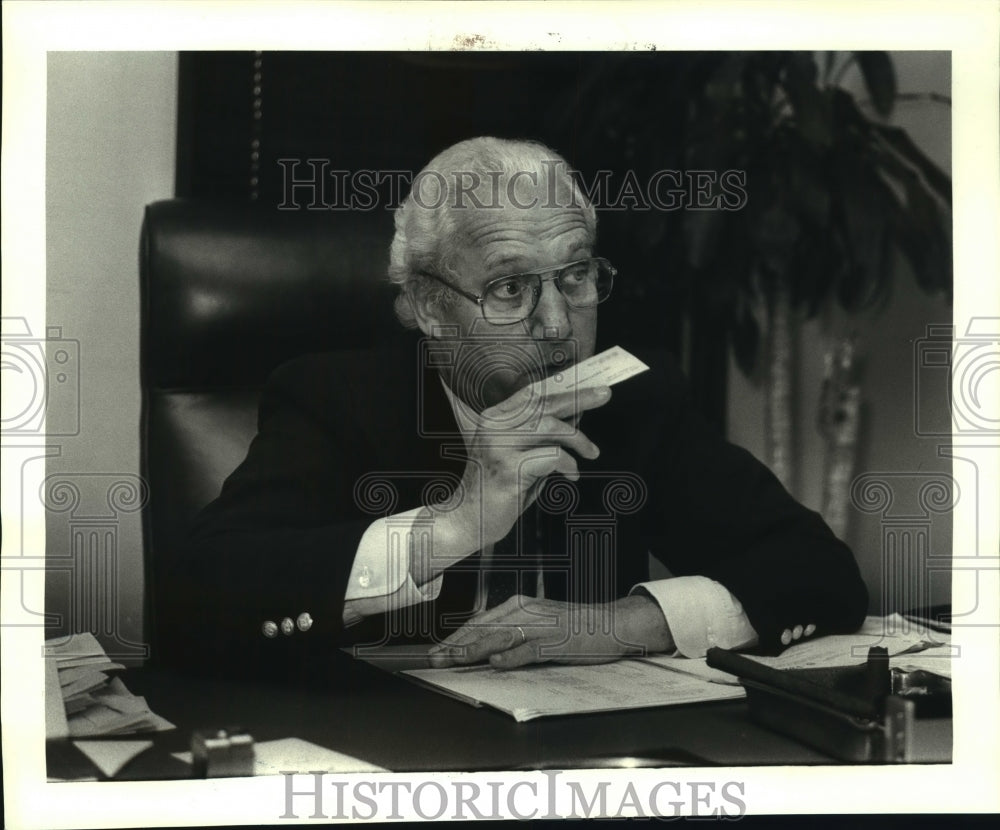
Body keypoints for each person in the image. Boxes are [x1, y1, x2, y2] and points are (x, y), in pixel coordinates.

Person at [163, 137, 868, 679]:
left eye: (576, 275)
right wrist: (449, 525)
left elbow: (818, 570)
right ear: (429, 307)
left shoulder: (629, 399)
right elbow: (198, 600)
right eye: (510, 289)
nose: (559, 323)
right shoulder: (334, 399)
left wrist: (622, 623)